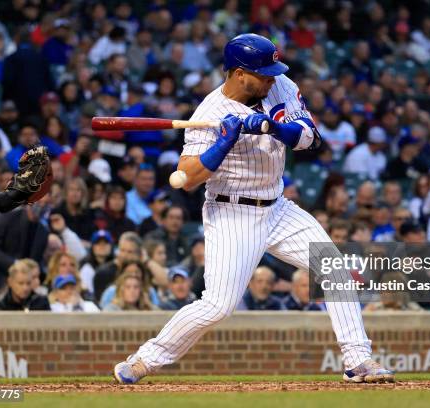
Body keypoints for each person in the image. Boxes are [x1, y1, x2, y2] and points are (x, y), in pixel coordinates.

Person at [113, 34, 393, 385]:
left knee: (335, 268)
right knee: (217, 306)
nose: (272, 78)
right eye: (263, 73)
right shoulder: (210, 112)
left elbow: (310, 136)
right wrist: (224, 142)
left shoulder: (280, 85)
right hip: (232, 213)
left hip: (277, 207)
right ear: (239, 74)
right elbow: (186, 178)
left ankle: (358, 360)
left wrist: (276, 128)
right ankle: (143, 361)